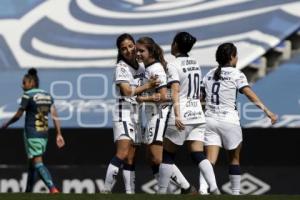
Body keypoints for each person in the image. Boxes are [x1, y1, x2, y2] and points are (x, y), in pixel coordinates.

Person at [199, 42, 277, 195]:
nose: (237, 58)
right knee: (234, 158)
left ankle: (203, 189)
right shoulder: (237, 74)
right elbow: (248, 93)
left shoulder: (209, 74)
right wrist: (266, 110)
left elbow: (200, 97)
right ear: (231, 57)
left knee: (209, 160)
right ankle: (235, 192)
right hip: (229, 120)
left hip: (209, 120)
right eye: (236, 55)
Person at [157, 32, 220, 194]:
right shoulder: (195, 63)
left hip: (182, 114)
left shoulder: (173, 65)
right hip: (198, 114)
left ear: (176, 45)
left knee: (167, 155)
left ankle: (162, 191)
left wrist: (177, 115)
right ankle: (214, 188)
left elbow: (176, 91)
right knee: (198, 154)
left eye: (172, 42)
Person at [136, 36, 194, 194]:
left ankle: (187, 188)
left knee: (158, 157)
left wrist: (142, 98)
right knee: (150, 158)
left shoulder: (155, 69)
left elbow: (163, 95)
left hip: (158, 114)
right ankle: (167, 192)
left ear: (151, 51)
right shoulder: (148, 68)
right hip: (150, 115)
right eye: (137, 50)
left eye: (142, 51)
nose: (138, 53)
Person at [103, 33, 159, 194]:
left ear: (135, 45)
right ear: (120, 52)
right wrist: (148, 86)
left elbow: (143, 92)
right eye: (123, 48)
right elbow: (127, 92)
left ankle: (130, 192)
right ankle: (105, 191)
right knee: (122, 153)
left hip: (136, 114)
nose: (128, 50)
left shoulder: (142, 66)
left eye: (130, 46)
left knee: (131, 157)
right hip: (123, 112)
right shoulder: (121, 67)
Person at [1, 68, 65, 193]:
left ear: (31, 83)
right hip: (44, 134)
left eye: (24, 82)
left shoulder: (28, 95)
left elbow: (19, 115)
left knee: (38, 162)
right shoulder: (47, 95)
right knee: (31, 163)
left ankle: (52, 188)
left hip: (32, 133)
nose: (22, 85)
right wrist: (59, 134)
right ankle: (28, 191)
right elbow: (55, 115)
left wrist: (7, 124)